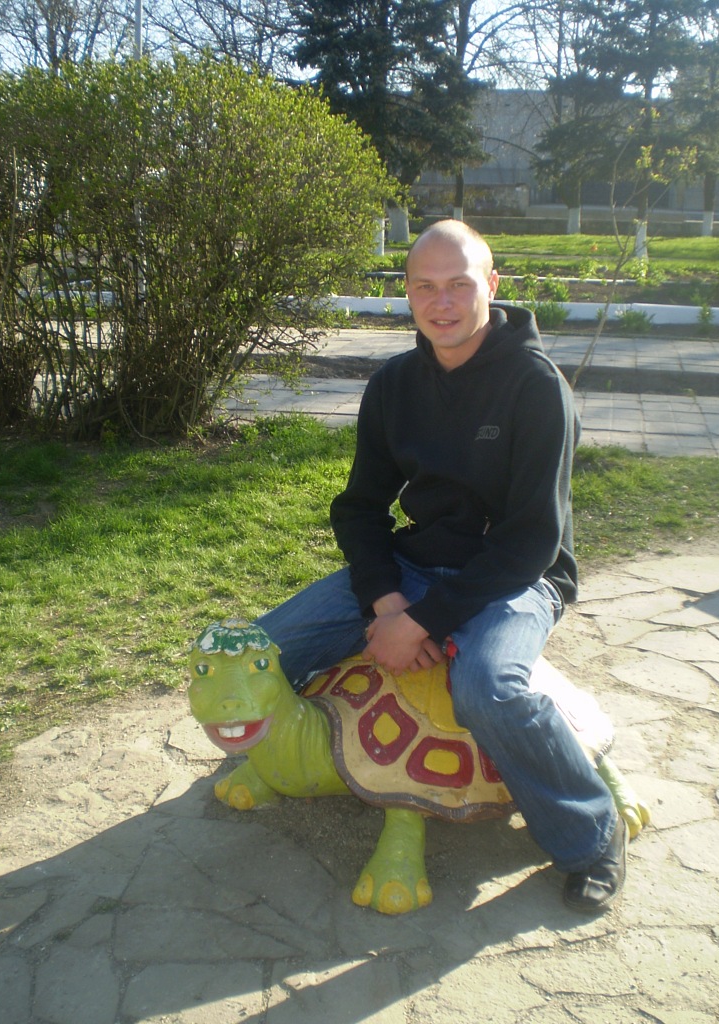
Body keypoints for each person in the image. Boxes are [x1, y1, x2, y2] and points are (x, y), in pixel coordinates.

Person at [256, 219, 626, 913]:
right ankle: (308, 759)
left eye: (459, 284)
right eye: (425, 287)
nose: (442, 302)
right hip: (417, 564)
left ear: (491, 285)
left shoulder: (536, 386)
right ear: (408, 295)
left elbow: (531, 539)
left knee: (487, 687)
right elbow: (359, 508)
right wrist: (386, 603)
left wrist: (425, 621)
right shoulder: (394, 384)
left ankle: (590, 835)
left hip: (518, 578)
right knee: (260, 653)